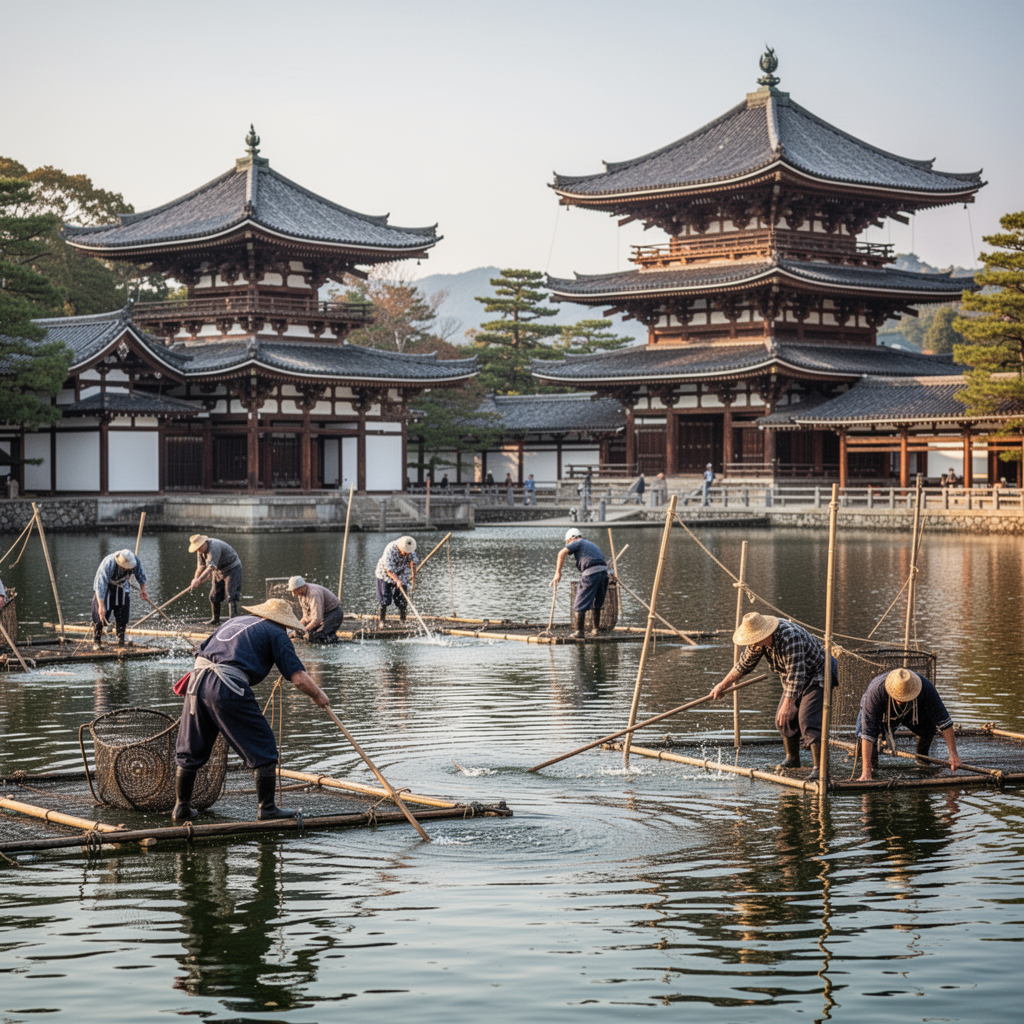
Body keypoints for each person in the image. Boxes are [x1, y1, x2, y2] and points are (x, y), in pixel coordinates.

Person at [173, 598, 330, 822]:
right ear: (283, 622)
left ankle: (181, 807)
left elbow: (201, 653)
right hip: (225, 684)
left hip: (196, 682)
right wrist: (319, 696)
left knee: (191, 746)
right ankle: (266, 809)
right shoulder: (277, 633)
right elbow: (297, 677)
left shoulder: (235, 621)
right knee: (263, 744)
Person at [709, 612, 837, 780]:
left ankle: (821, 769)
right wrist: (722, 685)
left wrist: (789, 704)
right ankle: (792, 759)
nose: (753, 643)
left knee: (807, 719)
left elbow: (797, 674)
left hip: (818, 672)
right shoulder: (758, 643)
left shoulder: (789, 637)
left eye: (755, 639)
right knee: (782, 719)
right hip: (793, 677)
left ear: (766, 634)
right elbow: (743, 665)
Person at [856, 667, 963, 781]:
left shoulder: (926, 687)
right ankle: (867, 767)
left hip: (911, 711)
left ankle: (922, 761)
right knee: (865, 741)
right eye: (899, 697)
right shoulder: (876, 692)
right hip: (882, 712)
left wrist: (953, 754)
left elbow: (944, 722)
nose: (901, 700)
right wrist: (866, 771)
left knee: (929, 728)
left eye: (905, 697)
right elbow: (867, 733)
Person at [552, 527, 612, 639]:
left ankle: (579, 632)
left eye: (568, 542)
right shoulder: (592, 545)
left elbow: (561, 553)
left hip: (591, 573)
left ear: (571, 539)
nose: (568, 543)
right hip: (604, 573)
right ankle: (595, 629)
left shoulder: (577, 542)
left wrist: (557, 573)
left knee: (580, 602)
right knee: (597, 602)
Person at [92, 549, 149, 650]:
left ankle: (121, 640)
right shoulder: (108, 563)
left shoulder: (134, 561)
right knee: (101, 615)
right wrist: (101, 605)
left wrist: (143, 589)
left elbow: (140, 575)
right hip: (106, 588)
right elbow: (100, 585)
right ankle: (97, 641)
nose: (126, 569)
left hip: (122, 586)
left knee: (123, 614)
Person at [188, 534, 243, 626]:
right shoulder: (200, 552)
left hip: (232, 569)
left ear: (204, 544)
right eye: (197, 549)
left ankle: (232, 622)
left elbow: (211, 566)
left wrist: (200, 579)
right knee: (214, 595)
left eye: (199, 548)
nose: (198, 551)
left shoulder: (214, 546)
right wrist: (196, 579)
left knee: (230, 595)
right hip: (218, 571)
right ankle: (215, 619)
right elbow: (201, 567)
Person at [287, 575, 343, 644]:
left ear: (300, 588)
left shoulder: (314, 594)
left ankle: (333, 640)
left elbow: (316, 620)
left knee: (314, 636)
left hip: (333, 614)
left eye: (294, 591)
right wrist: (297, 629)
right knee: (305, 634)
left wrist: (303, 631)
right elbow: (305, 618)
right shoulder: (301, 596)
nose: (293, 594)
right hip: (323, 616)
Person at [375, 535, 418, 623]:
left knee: (402, 599)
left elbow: (413, 563)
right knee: (385, 599)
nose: (406, 554)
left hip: (402, 574)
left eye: (408, 553)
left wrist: (413, 571)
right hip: (385, 574)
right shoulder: (390, 549)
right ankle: (382, 621)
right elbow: (388, 570)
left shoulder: (411, 551)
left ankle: (403, 621)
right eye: (404, 552)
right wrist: (397, 580)